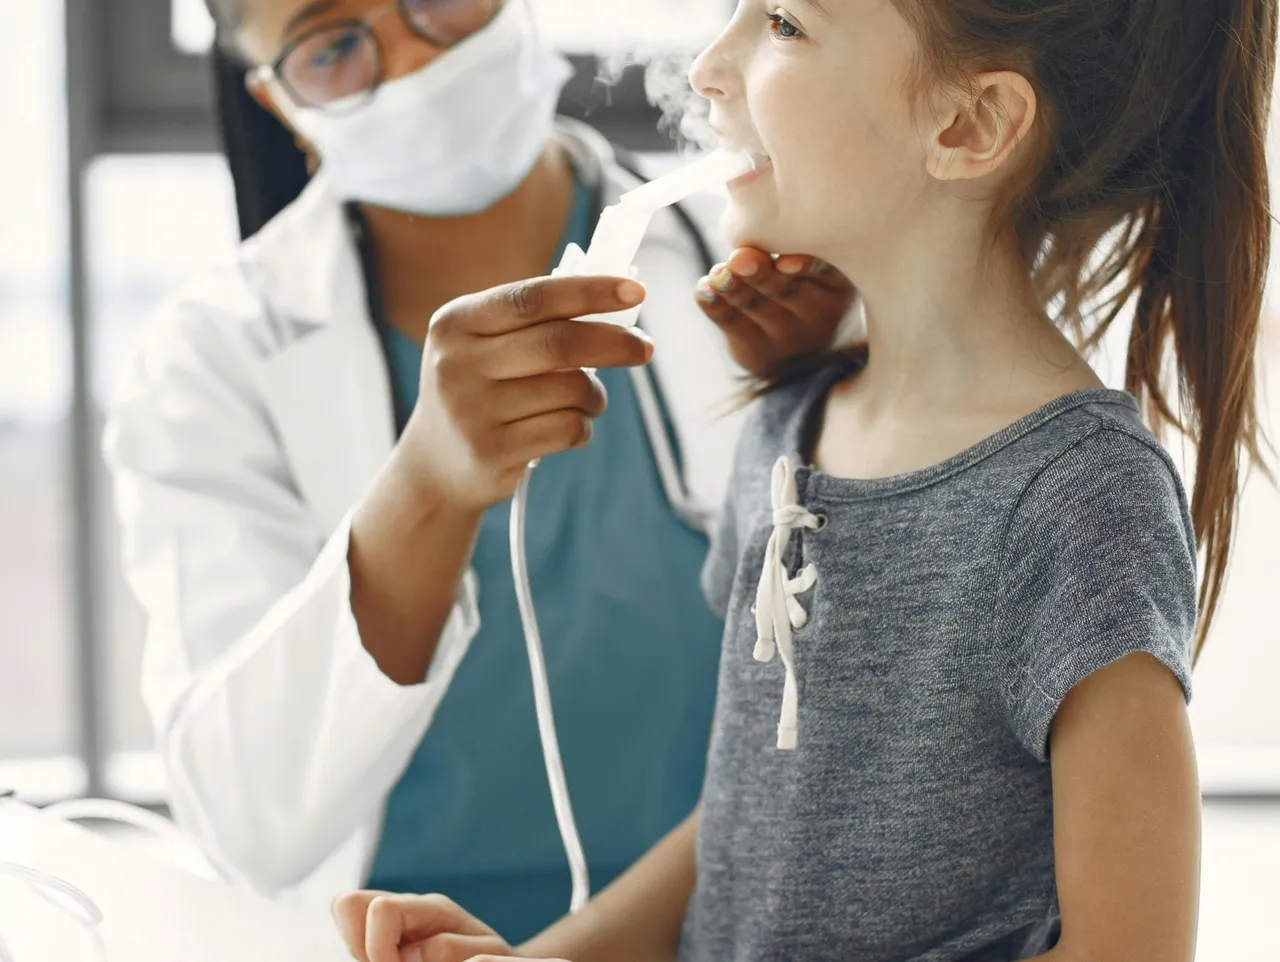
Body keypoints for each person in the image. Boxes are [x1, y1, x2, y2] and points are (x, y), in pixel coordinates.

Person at [332, 0, 1276, 959]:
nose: (705, 67)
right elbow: (746, 820)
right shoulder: (788, 429)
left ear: (970, 124)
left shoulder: (1079, 503)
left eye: (782, 22)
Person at [102, 0, 856, 941]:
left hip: (733, 921)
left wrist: (816, 389)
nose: (415, 57)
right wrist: (422, 488)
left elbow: (871, 681)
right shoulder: (213, 360)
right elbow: (248, 821)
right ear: (280, 102)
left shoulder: (777, 272)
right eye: (334, 46)